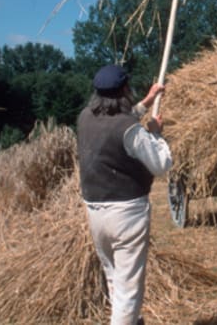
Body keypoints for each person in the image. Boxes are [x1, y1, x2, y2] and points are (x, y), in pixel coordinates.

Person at [76, 64, 173, 325]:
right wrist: (156, 135)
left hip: (95, 212)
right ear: (124, 90)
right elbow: (161, 164)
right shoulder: (130, 129)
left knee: (115, 277)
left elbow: (120, 118)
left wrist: (147, 102)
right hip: (126, 214)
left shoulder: (85, 117)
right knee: (129, 291)